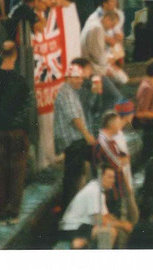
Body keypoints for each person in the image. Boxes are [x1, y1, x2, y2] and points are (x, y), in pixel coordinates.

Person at [0, 41, 30, 224]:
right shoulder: (21, 81)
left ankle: (0, 213)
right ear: (16, 55)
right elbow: (27, 108)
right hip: (18, 131)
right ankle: (13, 212)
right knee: (17, 173)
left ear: (0, 54)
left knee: (0, 172)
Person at [54, 62, 96, 209]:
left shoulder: (70, 92)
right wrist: (87, 135)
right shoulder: (66, 93)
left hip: (76, 141)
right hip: (74, 141)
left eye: (81, 78)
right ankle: (69, 210)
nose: (80, 81)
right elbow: (74, 119)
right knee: (72, 178)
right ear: (68, 78)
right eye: (76, 78)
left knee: (75, 176)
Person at [60, 165, 133, 249]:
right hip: (73, 227)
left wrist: (123, 224)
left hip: (83, 226)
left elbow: (106, 215)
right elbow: (99, 219)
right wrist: (122, 225)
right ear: (100, 176)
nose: (112, 181)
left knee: (114, 229)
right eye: (109, 177)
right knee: (109, 232)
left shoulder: (99, 190)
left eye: (113, 178)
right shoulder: (94, 190)